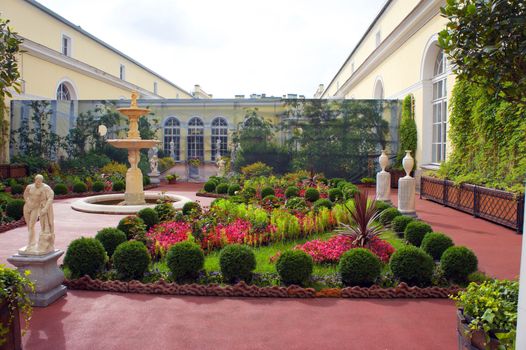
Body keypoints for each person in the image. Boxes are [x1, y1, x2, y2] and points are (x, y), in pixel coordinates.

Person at [21, 174, 55, 255]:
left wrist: (46, 208)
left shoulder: (45, 188)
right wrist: (27, 201)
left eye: (40, 181)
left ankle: (30, 245)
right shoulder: (29, 187)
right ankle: (32, 243)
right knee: (29, 226)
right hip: (27, 207)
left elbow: (51, 196)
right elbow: (25, 194)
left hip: (35, 208)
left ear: (42, 181)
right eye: (37, 180)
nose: (38, 182)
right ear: (35, 180)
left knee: (32, 225)